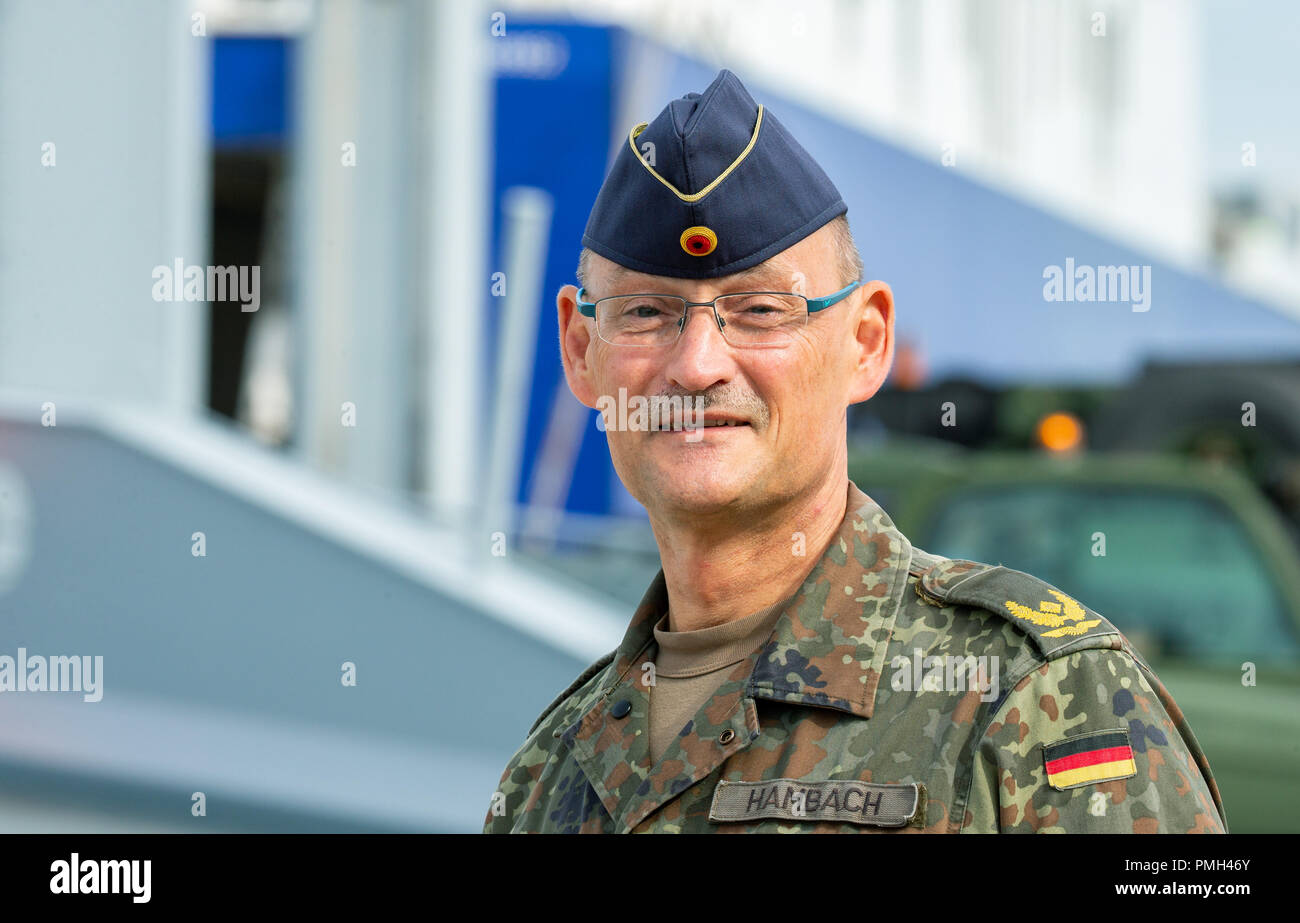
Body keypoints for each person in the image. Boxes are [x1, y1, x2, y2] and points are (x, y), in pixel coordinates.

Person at [483, 69, 1227, 834]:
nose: (698, 363)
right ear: (581, 350)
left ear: (866, 343)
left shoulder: (1039, 702)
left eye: (761, 310)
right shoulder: (550, 769)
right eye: (646, 310)